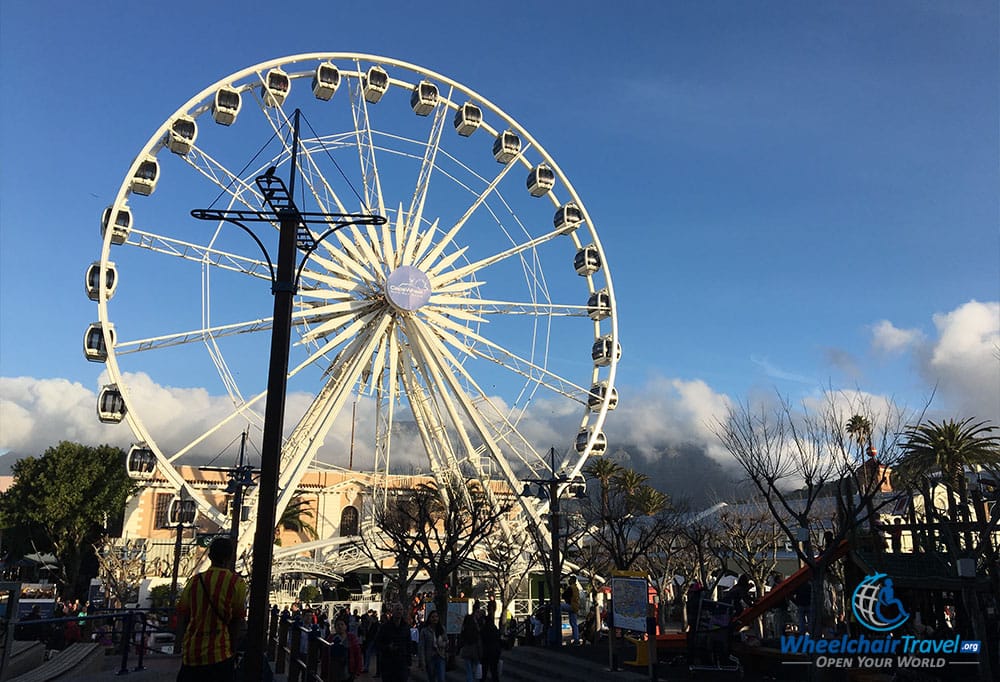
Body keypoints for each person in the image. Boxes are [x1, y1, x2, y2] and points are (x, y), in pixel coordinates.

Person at [175, 537, 248, 682]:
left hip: (192, 653)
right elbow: (237, 620)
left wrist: (183, 643)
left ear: (209, 556)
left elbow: (182, 615)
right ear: (229, 557)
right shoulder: (236, 584)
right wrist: (233, 649)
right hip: (220, 653)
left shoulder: (194, 582)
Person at [376, 602, 413, 682]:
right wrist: (387, 647)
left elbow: (409, 644)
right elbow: (378, 643)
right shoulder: (385, 627)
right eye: (397, 609)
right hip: (388, 663)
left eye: (401, 610)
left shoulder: (406, 627)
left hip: (402, 662)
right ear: (392, 611)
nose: (399, 611)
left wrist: (409, 662)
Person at [418, 610, 447, 682]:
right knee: (432, 678)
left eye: (436, 617)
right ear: (429, 618)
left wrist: (443, 644)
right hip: (430, 658)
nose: (435, 619)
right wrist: (422, 661)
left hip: (440, 656)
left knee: (441, 678)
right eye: (433, 617)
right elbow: (421, 647)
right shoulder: (424, 631)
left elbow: (446, 641)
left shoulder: (442, 629)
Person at [479, 603, 502, 682]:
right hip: (495, 651)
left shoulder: (484, 629)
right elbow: (499, 638)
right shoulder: (495, 628)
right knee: (494, 670)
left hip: (486, 651)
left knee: (484, 670)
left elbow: (481, 639)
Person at [459, 611, 481, 682]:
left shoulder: (464, 629)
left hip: (466, 650)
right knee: (475, 669)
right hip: (475, 651)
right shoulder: (476, 629)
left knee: (469, 670)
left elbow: (461, 640)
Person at [562, 576, 581, 645]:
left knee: (559, 606)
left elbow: (564, 595)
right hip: (575, 607)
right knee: (574, 623)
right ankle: (576, 639)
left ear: (573, 580)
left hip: (571, 605)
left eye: (570, 579)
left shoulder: (571, 588)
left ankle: (557, 621)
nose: (569, 581)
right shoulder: (576, 588)